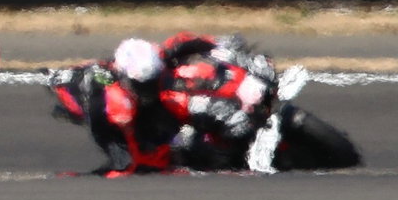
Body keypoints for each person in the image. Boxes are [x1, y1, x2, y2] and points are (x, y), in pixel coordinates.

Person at [97, 33, 275, 175]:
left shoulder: (168, 59)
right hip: (178, 126)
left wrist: (219, 44)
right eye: (143, 84)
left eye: (150, 82)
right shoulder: (120, 85)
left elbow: (191, 40)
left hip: (212, 93)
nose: (147, 88)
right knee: (188, 141)